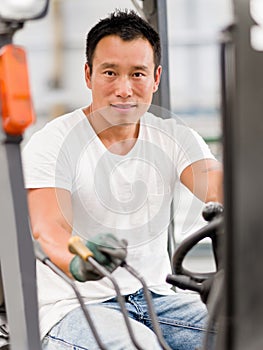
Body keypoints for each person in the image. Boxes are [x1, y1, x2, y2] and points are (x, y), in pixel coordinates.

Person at [22, 9, 223, 350]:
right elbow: (49, 228)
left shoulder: (173, 137)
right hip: (74, 306)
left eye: (138, 74)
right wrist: (78, 260)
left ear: (156, 78)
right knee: (140, 345)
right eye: (110, 73)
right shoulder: (54, 141)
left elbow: (219, 186)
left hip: (157, 298)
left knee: (244, 329)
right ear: (89, 74)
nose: (124, 89)